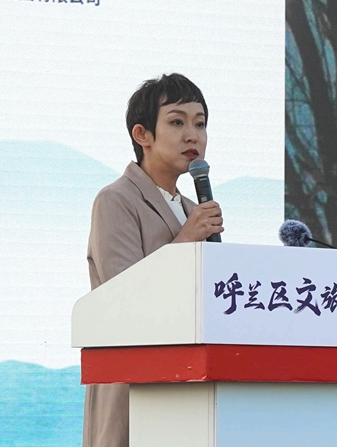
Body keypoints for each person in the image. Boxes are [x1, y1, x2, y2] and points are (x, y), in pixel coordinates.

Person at [82, 73, 224, 447]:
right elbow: (124, 294)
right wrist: (187, 238)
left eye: (200, 124)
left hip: (189, 389)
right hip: (135, 386)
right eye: (177, 122)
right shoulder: (116, 200)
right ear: (142, 134)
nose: (192, 136)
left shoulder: (193, 208)